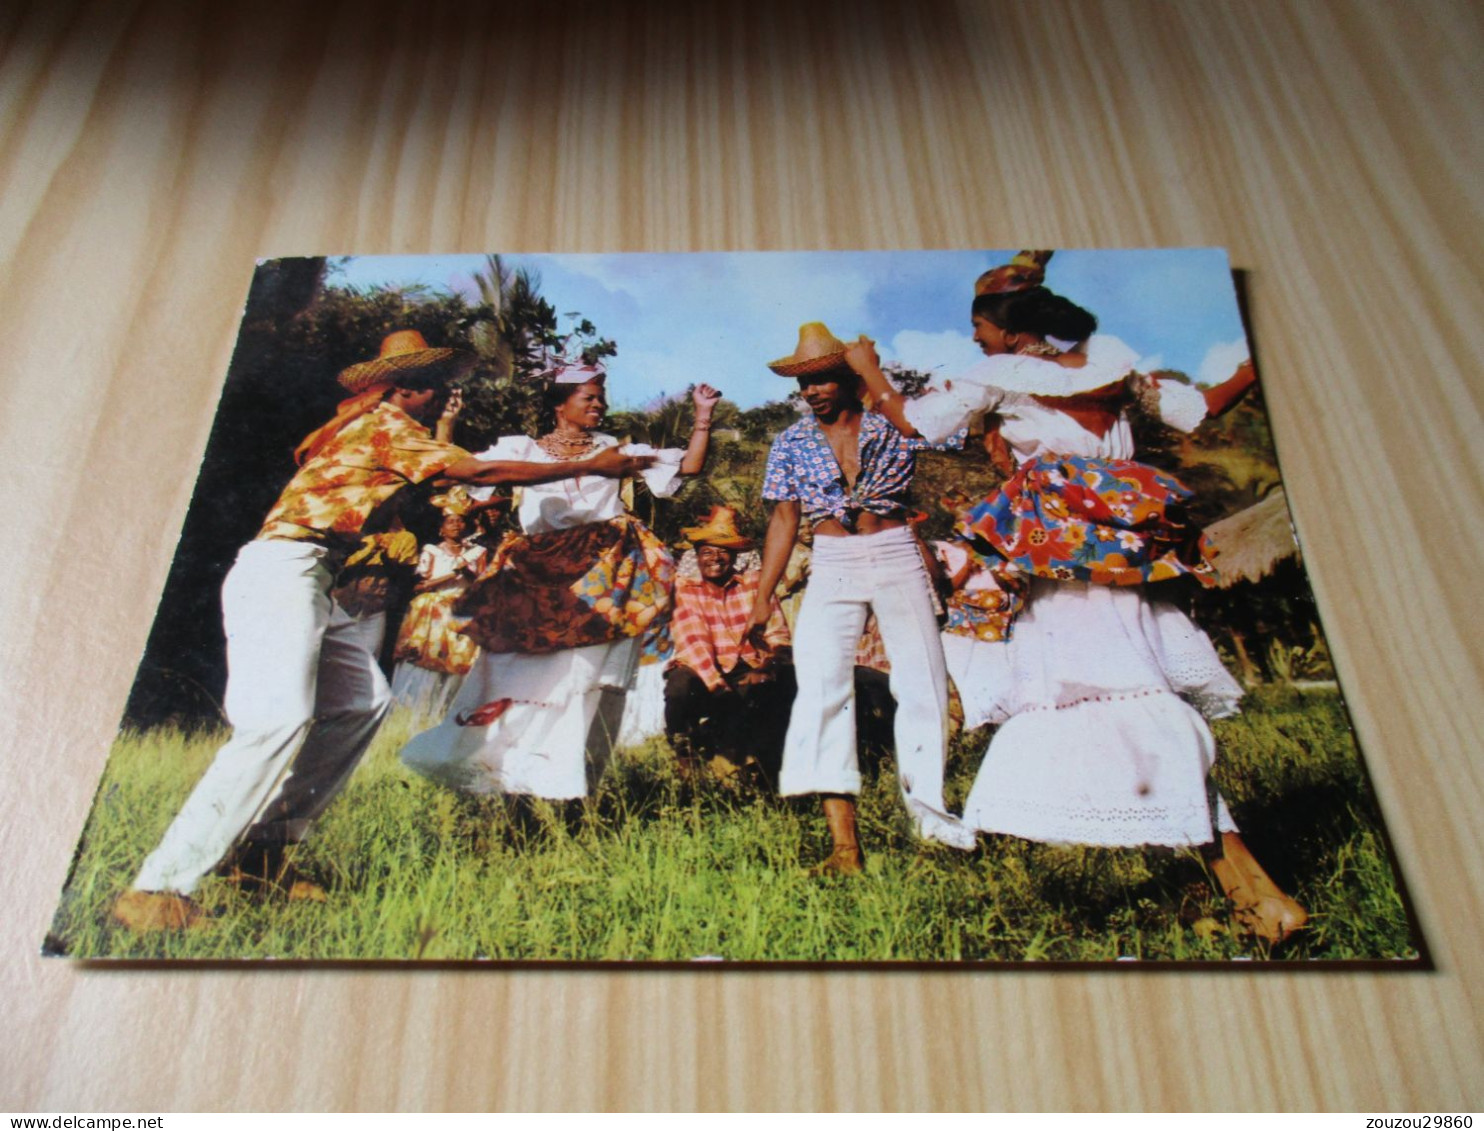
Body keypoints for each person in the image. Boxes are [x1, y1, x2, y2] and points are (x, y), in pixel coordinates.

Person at [112, 331, 654, 931]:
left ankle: (263, 852)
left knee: (362, 703)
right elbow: (479, 468)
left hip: (313, 573)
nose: (447, 391)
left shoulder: (381, 429)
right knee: (277, 722)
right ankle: (159, 885)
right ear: (404, 388)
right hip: (282, 569)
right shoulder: (386, 424)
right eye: (437, 382)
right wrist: (590, 465)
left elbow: (453, 482)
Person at [847, 251, 1307, 942]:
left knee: (1126, 706)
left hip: (1071, 576)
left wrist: (868, 372)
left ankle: (1261, 894)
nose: (975, 339)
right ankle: (1237, 891)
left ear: (1005, 328)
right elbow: (1198, 408)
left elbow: (918, 425)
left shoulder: (1002, 374)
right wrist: (1256, 360)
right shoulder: (1112, 363)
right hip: (1125, 566)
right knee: (1132, 701)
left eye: (978, 326)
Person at [400, 366, 721, 800]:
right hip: (535, 574)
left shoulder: (614, 449)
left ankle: (564, 786)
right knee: (514, 674)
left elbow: (690, 465)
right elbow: (457, 471)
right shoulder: (522, 448)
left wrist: (703, 414)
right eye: (589, 398)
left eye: (601, 399)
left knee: (582, 679)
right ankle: (503, 773)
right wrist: (446, 426)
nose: (599, 406)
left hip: (603, 574)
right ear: (559, 404)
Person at [745, 322, 977, 877]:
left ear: (849, 377)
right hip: (833, 562)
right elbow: (783, 519)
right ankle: (845, 848)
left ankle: (931, 823)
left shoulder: (895, 424)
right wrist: (762, 597)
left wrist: (881, 379)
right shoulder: (791, 442)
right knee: (822, 689)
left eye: (823, 379)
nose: (813, 392)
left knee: (922, 687)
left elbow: (959, 429)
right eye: (804, 385)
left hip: (895, 549)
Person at [663, 505, 793, 780]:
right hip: (704, 670)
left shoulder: (754, 583)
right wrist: (717, 686)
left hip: (749, 666)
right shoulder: (684, 588)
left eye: (723, 551)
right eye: (707, 552)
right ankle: (685, 754)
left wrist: (769, 665)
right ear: (695, 558)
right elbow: (694, 642)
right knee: (679, 687)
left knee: (784, 681)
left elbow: (778, 634)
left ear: (734, 556)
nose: (716, 558)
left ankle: (764, 764)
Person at [389, 508, 489, 719]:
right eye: (450, 521)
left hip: (462, 611)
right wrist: (454, 574)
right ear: (441, 529)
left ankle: (444, 714)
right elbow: (421, 585)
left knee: (457, 662)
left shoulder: (477, 553)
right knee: (426, 659)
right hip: (433, 609)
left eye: (460, 521)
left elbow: (482, 585)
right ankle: (411, 712)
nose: (456, 525)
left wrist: (468, 574)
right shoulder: (432, 551)